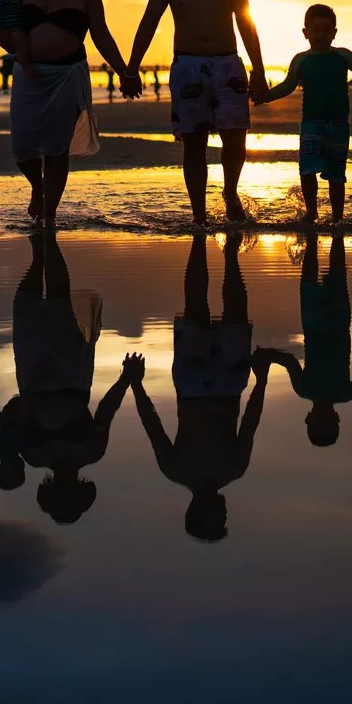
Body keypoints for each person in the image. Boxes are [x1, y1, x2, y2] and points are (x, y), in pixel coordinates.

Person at [126, 0, 269, 226]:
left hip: (228, 64)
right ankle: (199, 214)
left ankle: (230, 194)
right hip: (188, 66)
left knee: (235, 138)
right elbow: (148, 23)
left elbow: (247, 25)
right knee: (193, 142)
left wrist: (259, 70)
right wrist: (132, 68)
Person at [0, 233, 131, 524]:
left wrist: (4, 435)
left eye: (59, 498)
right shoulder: (92, 451)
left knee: (25, 306)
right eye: (70, 497)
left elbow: (13, 414)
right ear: (80, 492)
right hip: (72, 377)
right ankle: (46, 239)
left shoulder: (33, 456)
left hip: (32, 379)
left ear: (50, 493)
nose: (65, 491)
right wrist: (125, 379)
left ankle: (39, 254)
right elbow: (105, 411)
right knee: (59, 301)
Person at [136, 231, 262, 541]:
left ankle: (211, 244)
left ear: (198, 513)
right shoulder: (216, 470)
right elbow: (249, 422)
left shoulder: (187, 470)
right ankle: (220, 249)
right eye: (224, 520)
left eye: (219, 519)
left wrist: (135, 384)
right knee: (213, 308)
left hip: (214, 387)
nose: (225, 513)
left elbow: (153, 426)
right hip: (206, 387)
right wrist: (262, 380)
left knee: (211, 308)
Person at [13, 0, 141, 227]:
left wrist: (124, 70)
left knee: (57, 148)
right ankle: (38, 187)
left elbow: (101, 36)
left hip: (67, 75)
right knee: (23, 148)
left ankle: (48, 215)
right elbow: (7, 23)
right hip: (29, 75)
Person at [255, 4, 352, 225]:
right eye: (316, 30)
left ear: (334, 32)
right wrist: (265, 96)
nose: (321, 35)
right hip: (311, 125)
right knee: (307, 170)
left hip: (339, 126)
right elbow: (287, 86)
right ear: (305, 32)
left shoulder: (343, 56)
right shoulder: (301, 60)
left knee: (336, 175)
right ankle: (311, 212)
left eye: (326, 30)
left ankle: (337, 217)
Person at [253, 232, 352, 448]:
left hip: (313, 326)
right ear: (337, 420)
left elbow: (291, 363)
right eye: (328, 425)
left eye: (317, 425)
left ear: (308, 419)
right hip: (338, 324)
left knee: (309, 281)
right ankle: (335, 234)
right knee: (338, 274)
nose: (323, 420)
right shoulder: (345, 394)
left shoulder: (304, 390)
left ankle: (311, 237)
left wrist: (268, 355)